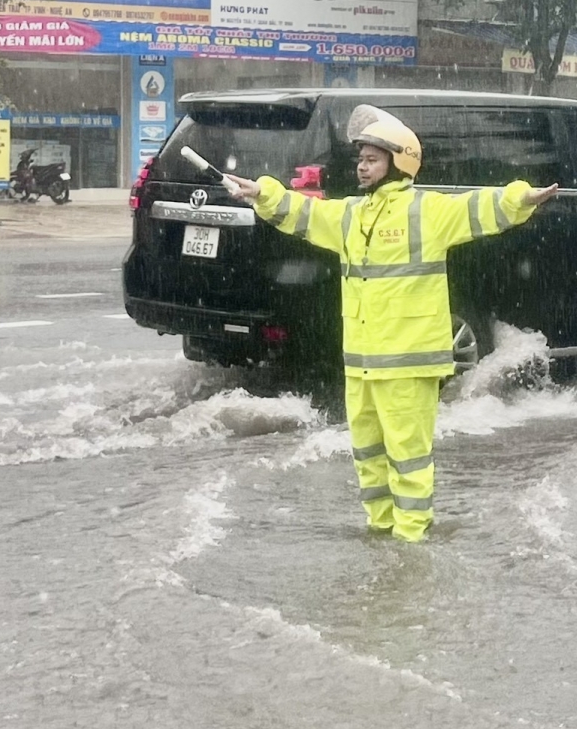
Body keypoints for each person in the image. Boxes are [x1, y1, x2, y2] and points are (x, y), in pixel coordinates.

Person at [227, 107, 559, 541]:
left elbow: (480, 207)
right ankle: (381, 531)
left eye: (372, 160)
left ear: (399, 162)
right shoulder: (351, 215)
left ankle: (411, 541)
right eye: (361, 159)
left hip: (408, 365)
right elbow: (303, 215)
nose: (362, 167)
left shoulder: (429, 211)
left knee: (408, 457)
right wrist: (263, 194)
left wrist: (519, 200)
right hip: (362, 365)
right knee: (367, 453)